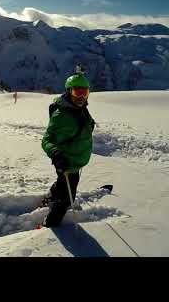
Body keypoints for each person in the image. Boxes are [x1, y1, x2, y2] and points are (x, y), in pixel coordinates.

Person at [41, 71, 95, 227]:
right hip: (66, 163)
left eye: (85, 92)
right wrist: (56, 154)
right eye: (77, 92)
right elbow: (46, 140)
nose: (81, 97)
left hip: (74, 161)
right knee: (65, 200)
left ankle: (50, 197)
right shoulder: (61, 115)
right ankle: (50, 224)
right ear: (68, 92)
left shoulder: (80, 108)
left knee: (62, 185)